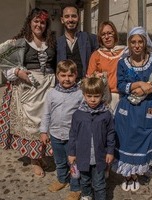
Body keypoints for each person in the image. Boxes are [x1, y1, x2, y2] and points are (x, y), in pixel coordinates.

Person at [113, 27, 152, 192]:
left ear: (145, 43)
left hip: (147, 107)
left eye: (140, 42)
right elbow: (120, 85)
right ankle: (128, 174)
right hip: (128, 108)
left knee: (144, 137)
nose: (137, 45)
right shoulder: (122, 63)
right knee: (127, 139)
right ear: (129, 44)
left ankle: (139, 170)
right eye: (133, 42)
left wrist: (148, 89)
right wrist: (138, 85)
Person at [0, 8, 56, 177]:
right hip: (30, 88)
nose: (39, 25)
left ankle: (42, 154)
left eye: (42, 22)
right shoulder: (20, 42)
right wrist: (18, 72)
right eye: (36, 21)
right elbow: (3, 58)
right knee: (32, 125)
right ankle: (34, 159)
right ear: (30, 22)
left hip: (49, 86)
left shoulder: (51, 41)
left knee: (47, 123)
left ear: (46, 25)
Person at [40, 60, 82, 199]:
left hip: (73, 137)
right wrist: (43, 131)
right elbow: (46, 113)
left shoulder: (80, 94)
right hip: (56, 135)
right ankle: (62, 179)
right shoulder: (51, 93)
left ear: (76, 75)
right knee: (59, 161)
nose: (67, 79)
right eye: (63, 75)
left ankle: (76, 187)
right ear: (57, 76)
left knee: (74, 162)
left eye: (70, 75)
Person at [68, 77, 115, 200]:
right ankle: (86, 196)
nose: (93, 100)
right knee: (84, 181)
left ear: (102, 95)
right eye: (89, 96)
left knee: (99, 184)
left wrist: (110, 151)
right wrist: (71, 153)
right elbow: (72, 134)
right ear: (84, 95)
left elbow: (111, 133)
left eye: (96, 96)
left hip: (100, 157)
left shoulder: (106, 114)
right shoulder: (78, 115)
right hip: (82, 156)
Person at [87, 21, 125, 112]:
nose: (107, 37)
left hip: (123, 96)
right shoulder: (96, 55)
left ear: (115, 34)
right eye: (103, 34)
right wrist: (97, 77)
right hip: (105, 99)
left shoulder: (125, 52)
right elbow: (90, 79)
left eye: (109, 33)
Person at [57, 3, 98, 82]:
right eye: (67, 16)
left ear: (78, 18)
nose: (70, 20)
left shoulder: (91, 39)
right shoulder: (57, 43)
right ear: (62, 20)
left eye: (74, 16)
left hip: (85, 87)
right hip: (65, 87)